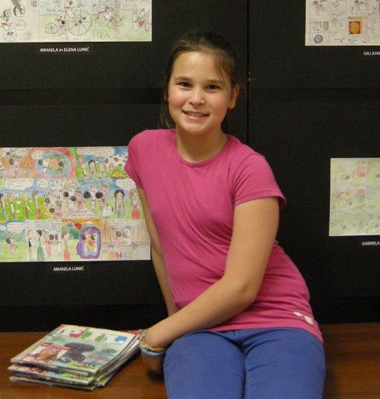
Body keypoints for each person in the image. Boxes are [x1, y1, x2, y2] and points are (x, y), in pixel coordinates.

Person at [125, 30, 325, 398]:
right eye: (185, 84)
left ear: (232, 97)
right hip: (200, 328)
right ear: (167, 89)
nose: (196, 99)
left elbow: (241, 288)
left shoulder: (250, 168)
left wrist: (157, 336)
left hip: (276, 320)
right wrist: (177, 326)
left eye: (213, 87)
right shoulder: (143, 149)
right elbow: (160, 247)